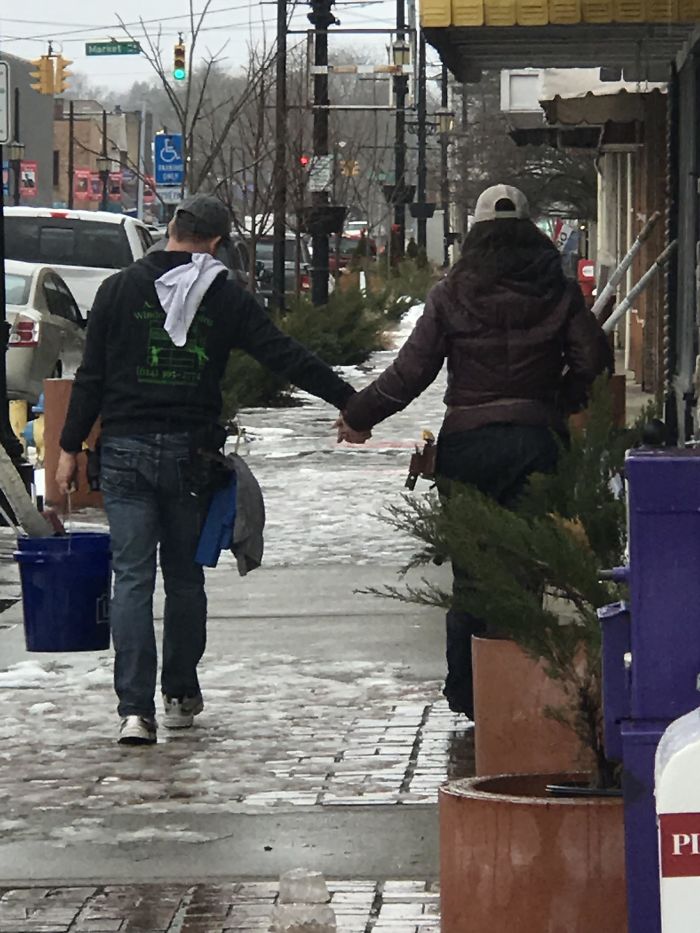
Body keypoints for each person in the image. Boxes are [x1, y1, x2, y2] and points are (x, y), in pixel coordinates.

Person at [56, 195, 357, 747]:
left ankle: (133, 711)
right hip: (190, 455)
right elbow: (283, 353)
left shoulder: (117, 289)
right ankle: (178, 696)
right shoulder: (225, 295)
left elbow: (91, 376)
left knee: (132, 578)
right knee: (184, 577)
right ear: (217, 243)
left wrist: (69, 445)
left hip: (123, 450)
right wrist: (351, 402)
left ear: (171, 228)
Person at [336, 184, 611, 718]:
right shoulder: (557, 291)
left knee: (471, 570)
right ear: (529, 230)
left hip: (469, 445)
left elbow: (411, 371)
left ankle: (467, 694)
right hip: (537, 443)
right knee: (528, 569)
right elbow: (593, 360)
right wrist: (558, 401)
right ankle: (517, 692)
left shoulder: (452, 292)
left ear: (477, 233)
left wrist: (358, 416)